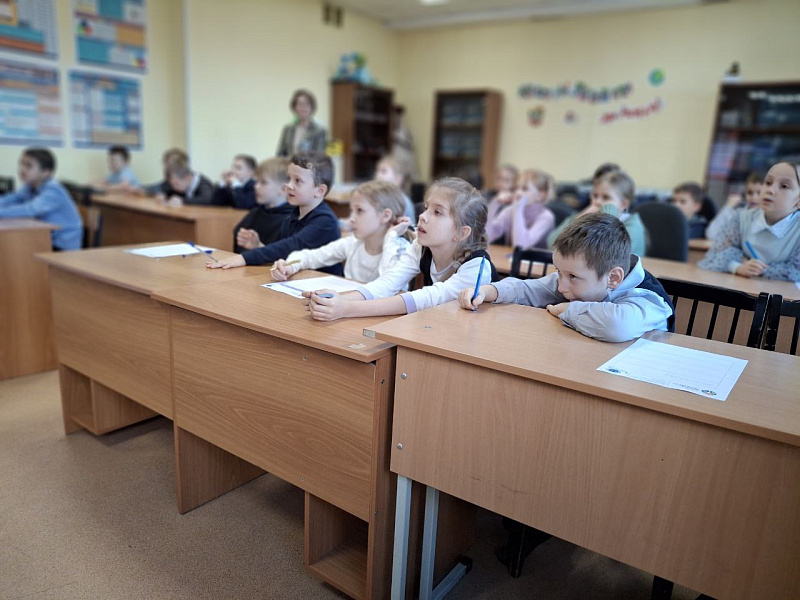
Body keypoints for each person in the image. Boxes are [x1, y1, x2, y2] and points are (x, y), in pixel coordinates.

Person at [302, 177, 498, 321]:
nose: (423, 216)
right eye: (426, 208)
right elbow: (387, 284)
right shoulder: (421, 247)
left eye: (437, 212)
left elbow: (424, 299)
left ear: (462, 233)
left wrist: (346, 309)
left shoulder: (477, 267)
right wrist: (334, 300)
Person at [461, 212, 674, 342]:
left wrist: (565, 310)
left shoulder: (649, 299)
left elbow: (617, 326)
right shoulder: (576, 279)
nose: (562, 287)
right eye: (558, 272)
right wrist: (490, 291)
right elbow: (528, 289)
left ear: (613, 278)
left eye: (572, 276)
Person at [208, 152, 342, 275]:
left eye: (298, 181)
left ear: (319, 191)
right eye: (288, 179)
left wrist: (243, 258)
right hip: (300, 283)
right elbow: (285, 255)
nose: (288, 185)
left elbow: (292, 245)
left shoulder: (325, 221)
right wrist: (259, 246)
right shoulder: (293, 217)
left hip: (327, 288)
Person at [272, 180, 412, 283]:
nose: (352, 218)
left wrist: (391, 236)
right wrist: (288, 266)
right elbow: (312, 256)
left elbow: (388, 285)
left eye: (359, 211)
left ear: (385, 215)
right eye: (352, 211)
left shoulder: (400, 250)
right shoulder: (353, 243)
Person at [698, 161, 800, 281]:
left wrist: (757, 269)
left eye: (784, 186)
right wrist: (737, 267)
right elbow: (712, 257)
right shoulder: (741, 218)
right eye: (768, 182)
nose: (770, 190)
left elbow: (796, 272)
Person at [548, 169, 647, 257]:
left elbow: (607, 256)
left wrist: (607, 216)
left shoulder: (633, 226)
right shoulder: (589, 219)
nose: (597, 201)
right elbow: (552, 244)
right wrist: (578, 219)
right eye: (595, 196)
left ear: (623, 204)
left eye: (606, 197)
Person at [0, 148, 82, 250]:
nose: (22, 169)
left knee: (14, 248)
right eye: (21, 164)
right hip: (44, 238)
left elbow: (30, 210)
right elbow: (9, 199)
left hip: (62, 246)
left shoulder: (54, 191)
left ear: (45, 172)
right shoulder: (30, 186)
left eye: (28, 166)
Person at [233, 157, 294, 253]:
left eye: (263, 182)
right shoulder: (254, 213)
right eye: (257, 181)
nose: (256, 186)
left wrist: (258, 247)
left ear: (283, 189)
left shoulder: (291, 221)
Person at [485, 168, 555, 248]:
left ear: (540, 195)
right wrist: (495, 204)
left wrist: (518, 208)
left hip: (534, 256)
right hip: (510, 255)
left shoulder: (546, 217)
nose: (518, 192)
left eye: (524, 189)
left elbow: (520, 245)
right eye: (516, 188)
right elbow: (487, 237)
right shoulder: (510, 210)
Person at [706, 171, 763, 241]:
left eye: (759, 193)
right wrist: (728, 207)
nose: (754, 197)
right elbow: (711, 234)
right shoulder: (737, 214)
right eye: (750, 193)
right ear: (744, 194)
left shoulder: (768, 218)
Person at [276, 90, 327, 157]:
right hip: (289, 163)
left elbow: (319, 156)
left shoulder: (319, 131)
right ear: (294, 108)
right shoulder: (287, 129)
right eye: (300, 104)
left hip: (310, 164)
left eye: (306, 104)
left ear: (311, 107)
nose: (303, 107)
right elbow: (280, 154)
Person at [375, 154, 416, 220]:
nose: (377, 175)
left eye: (383, 171)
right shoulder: (378, 198)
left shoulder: (403, 202)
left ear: (397, 179)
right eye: (377, 171)